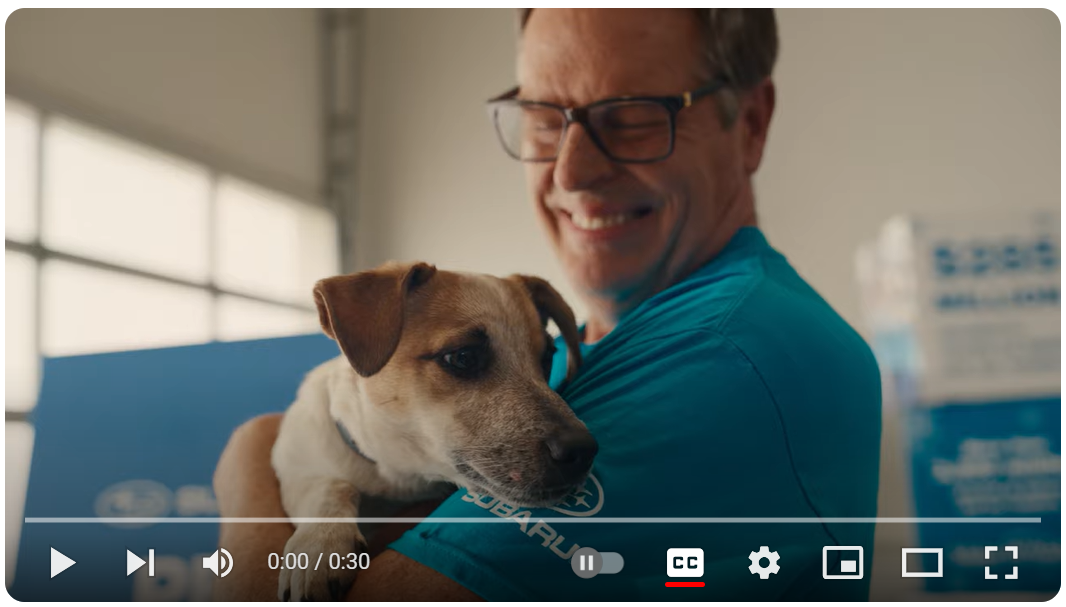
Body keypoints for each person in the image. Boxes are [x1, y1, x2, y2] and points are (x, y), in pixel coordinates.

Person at [213, 8, 881, 601]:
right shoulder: (583, 346)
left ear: (753, 124)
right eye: (543, 118)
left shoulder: (734, 353)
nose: (570, 172)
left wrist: (248, 466)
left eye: (633, 116)